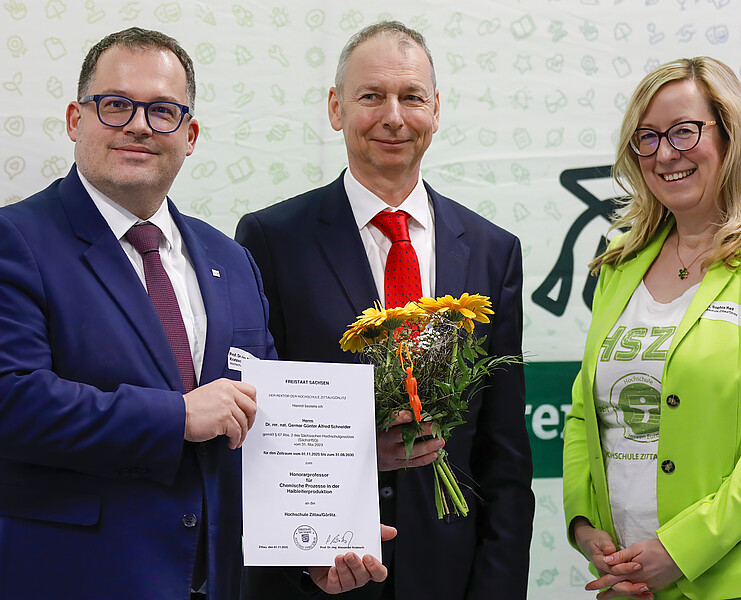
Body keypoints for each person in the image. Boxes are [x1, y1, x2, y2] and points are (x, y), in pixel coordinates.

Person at [0, 27, 389, 600]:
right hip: (75, 580)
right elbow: (12, 400)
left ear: (190, 135)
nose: (138, 125)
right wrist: (176, 416)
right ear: (75, 120)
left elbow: (262, 423)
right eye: (115, 105)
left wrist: (308, 551)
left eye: (162, 111)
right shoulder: (16, 240)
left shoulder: (231, 259)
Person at [236, 20, 534, 600]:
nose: (393, 117)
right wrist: (299, 563)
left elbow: (504, 452)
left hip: (451, 573)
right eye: (371, 96)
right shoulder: (271, 240)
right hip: (320, 571)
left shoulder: (493, 251)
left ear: (435, 110)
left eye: (412, 97)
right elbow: (260, 429)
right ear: (336, 108)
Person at [562, 56, 741, 600]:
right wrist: (584, 526)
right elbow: (583, 414)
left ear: (730, 135)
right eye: (647, 138)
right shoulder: (619, 263)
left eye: (684, 131)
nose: (665, 153)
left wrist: (680, 550)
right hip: (624, 580)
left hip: (736, 585)